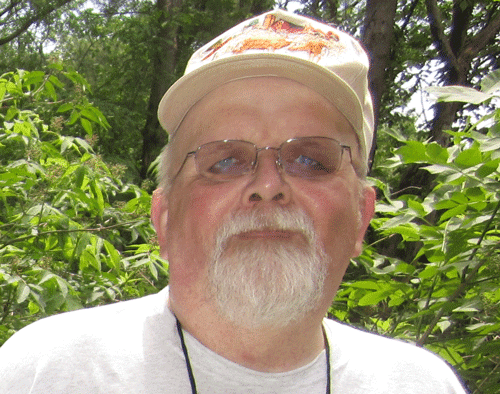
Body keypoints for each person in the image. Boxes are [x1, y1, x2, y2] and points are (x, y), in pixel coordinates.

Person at [0, 9, 467, 393]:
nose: (268, 183)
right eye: (224, 160)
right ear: (163, 220)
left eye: (310, 159)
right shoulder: (42, 373)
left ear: (362, 218)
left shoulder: (421, 384)